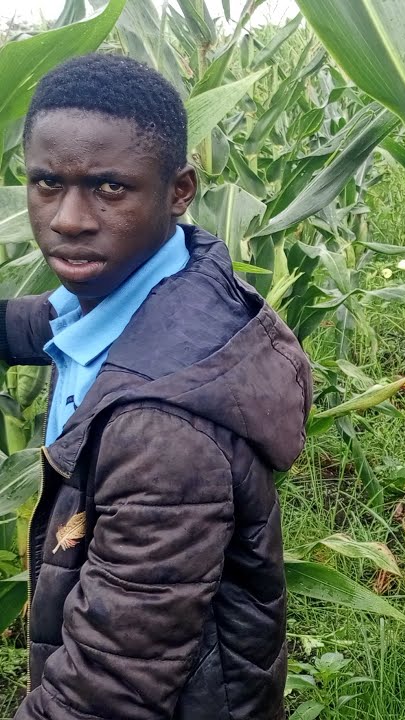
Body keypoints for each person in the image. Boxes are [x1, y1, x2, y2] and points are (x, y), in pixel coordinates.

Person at [8, 53, 310, 719]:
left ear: (180, 191)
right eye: (47, 183)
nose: (69, 220)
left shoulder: (162, 433)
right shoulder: (171, 279)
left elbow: (105, 693)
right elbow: (46, 323)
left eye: (110, 188)